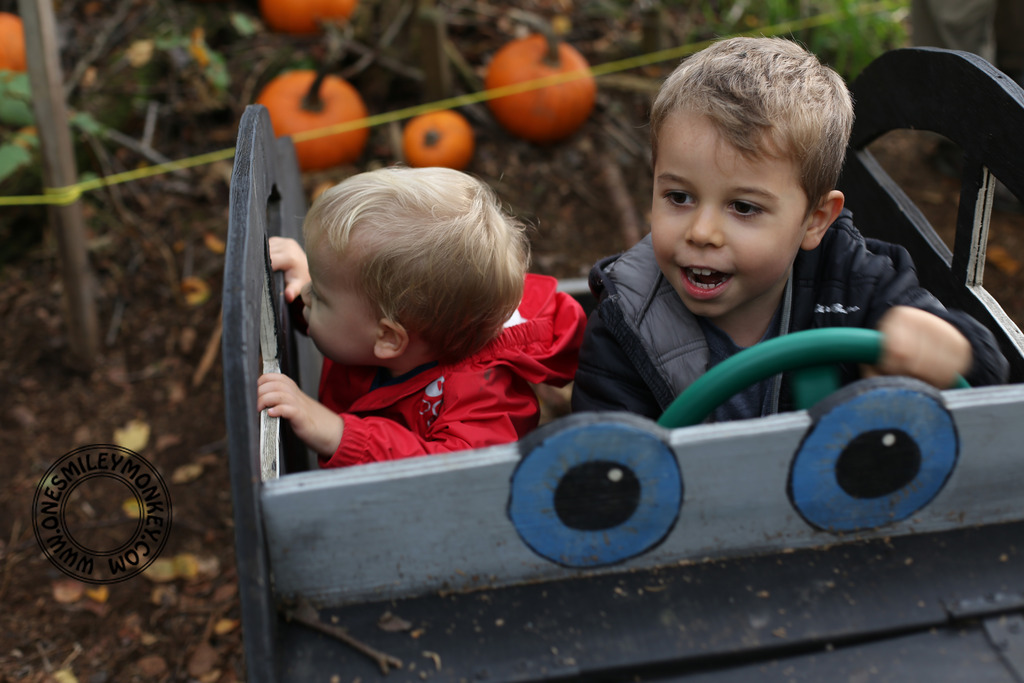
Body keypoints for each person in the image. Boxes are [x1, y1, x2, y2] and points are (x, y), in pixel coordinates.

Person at [571, 36, 1009, 422]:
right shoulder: (625, 322)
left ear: (815, 220)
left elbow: (986, 377)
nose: (702, 232)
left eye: (743, 207)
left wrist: (951, 349)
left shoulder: (857, 281)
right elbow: (606, 477)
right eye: (679, 197)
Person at [258, 166, 587, 467]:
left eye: (320, 295)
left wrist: (338, 433)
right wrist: (306, 279)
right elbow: (348, 327)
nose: (305, 294)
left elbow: (452, 476)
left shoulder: (485, 402)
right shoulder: (411, 328)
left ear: (389, 337)